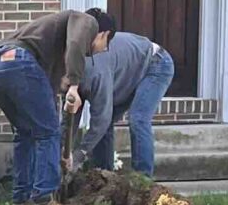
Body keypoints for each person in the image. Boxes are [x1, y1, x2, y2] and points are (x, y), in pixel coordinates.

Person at [0, 6, 106, 205]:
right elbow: (76, 42)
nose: (101, 51)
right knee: (48, 132)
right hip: (18, 62)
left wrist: (61, 152)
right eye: (105, 46)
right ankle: (44, 200)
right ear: (103, 34)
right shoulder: (87, 21)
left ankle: (21, 201)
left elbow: (47, 102)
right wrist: (74, 85)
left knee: (26, 133)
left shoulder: (49, 51)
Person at [75, 14, 176, 175]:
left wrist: (79, 154)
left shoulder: (95, 71)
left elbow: (101, 119)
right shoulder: (74, 71)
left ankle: (142, 180)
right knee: (105, 122)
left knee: (138, 118)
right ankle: (103, 177)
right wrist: (61, 153)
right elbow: (70, 119)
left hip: (155, 63)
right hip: (127, 71)